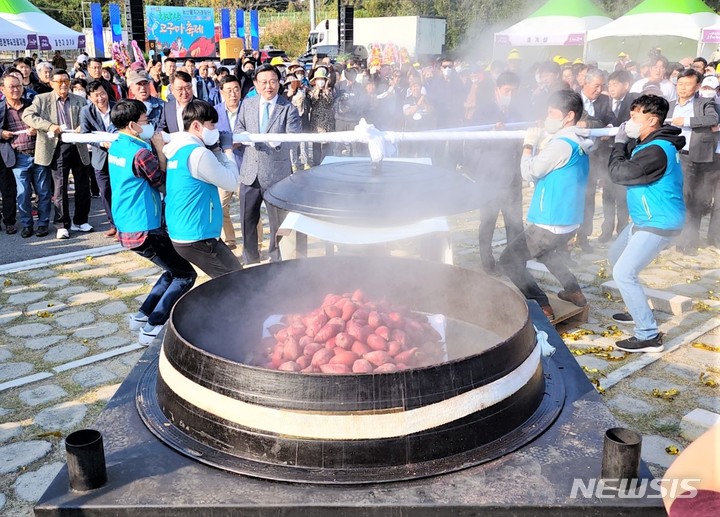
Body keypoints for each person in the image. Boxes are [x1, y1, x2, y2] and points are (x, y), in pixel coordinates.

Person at [108, 99, 197, 345]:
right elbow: (161, 181)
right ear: (133, 125)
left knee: (172, 269)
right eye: (146, 121)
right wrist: (159, 148)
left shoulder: (117, 146)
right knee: (185, 275)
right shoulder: (141, 153)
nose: (151, 125)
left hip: (126, 223)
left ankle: (142, 315)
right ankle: (153, 327)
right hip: (145, 227)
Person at [498, 90, 591, 321]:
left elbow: (529, 172)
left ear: (569, 116)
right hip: (569, 219)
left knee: (509, 260)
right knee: (548, 254)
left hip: (550, 220)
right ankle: (574, 291)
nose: (547, 117)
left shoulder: (561, 145)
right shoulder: (579, 140)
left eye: (552, 113)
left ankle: (541, 305)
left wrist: (528, 145)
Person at [607, 94, 686, 352]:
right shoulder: (648, 142)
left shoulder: (656, 149)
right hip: (644, 219)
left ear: (652, 120)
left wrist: (618, 145)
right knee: (616, 256)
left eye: (634, 116)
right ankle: (637, 307)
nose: (629, 121)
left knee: (623, 273)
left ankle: (648, 334)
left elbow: (620, 173)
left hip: (659, 221)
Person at [163, 99, 242, 277]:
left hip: (188, 231)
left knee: (236, 278)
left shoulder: (177, 149)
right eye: (212, 125)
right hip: (197, 236)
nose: (215, 129)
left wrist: (214, 151)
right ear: (197, 126)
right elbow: (231, 182)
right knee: (235, 284)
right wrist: (226, 150)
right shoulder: (198, 154)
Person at [236, 63, 302, 264]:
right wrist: (244, 137)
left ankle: (276, 260)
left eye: (273, 81)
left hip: (277, 175)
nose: (268, 86)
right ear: (255, 83)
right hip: (250, 172)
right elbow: (239, 126)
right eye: (263, 82)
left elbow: (296, 138)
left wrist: (280, 141)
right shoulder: (247, 104)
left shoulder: (287, 108)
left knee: (277, 222)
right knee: (247, 220)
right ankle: (250, 258)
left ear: (279, 82)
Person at [23, 68, 93, 240]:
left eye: (66, 81)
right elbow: (27, 115)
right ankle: (62, 224)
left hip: (78, 145)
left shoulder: (79, 99)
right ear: (51, 83)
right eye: (59, 81)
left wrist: (82, 127)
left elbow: (89, 118)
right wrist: (48, 126)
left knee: (83, 184)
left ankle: (81, 220)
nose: (63, 84)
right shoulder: (42, 99)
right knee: (59, 186)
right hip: (57, 145)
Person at [469, 71, 524, 276]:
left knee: (515, 224)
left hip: (512, 177)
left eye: (514, 91)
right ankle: (487, 262)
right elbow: (474, 140)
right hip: (490, 177)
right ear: (497, 90)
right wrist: (492, 134)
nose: (510, 94)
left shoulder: (518, 113)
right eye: (507, 91)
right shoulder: (484, 111)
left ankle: (514, 263)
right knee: (488, 222)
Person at [669, 69, 719, 255]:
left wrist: (687, 121)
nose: (683, 88)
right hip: (672, 156)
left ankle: (689, 240)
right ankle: (672, 235)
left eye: (688, 84)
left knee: (693, 198)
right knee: (677, 197)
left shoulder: (704, 103)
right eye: (680, 84)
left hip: (694, 156)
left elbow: (712, 119)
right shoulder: (670, 104)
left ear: (697, 86)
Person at [598, 70, 636, 243]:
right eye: (610, 85)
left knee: (622, 196)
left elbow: (631, 124)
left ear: (626, 85)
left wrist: (612, 131)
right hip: (606, 154)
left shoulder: (633, 102)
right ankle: (606, 230)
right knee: (607, 194)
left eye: (615, 85)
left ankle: (622, 230)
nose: (611, 88)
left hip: (625, 154)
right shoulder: (605, 101)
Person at [80, 80, 117, 237]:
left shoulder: (117, 107)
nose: (100, 98)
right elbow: (84, 134)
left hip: (118, 156)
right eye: (95, 95)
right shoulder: (86, 111)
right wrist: (101, 142)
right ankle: (113, 224)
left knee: (120, 191)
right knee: (105, 192)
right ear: (89, 96)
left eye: (102, 93)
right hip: (99, 158)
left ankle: (124, 226)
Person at [214, 75, 244, 250]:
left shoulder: (248, 109)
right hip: (223, 166)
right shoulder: (215, 112)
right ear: (221, 92)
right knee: (220, 206)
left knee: (248, 208)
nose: (233, 94)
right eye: (229, 90)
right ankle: (229, 240)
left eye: (236, 89)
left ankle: (255, 242)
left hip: (245, 165)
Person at [307, 67, 335, 165]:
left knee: (327, 145)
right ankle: (316, 164)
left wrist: (326, 91)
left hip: (327, 122)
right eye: (318, 79)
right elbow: (312, 102)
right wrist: (318, 91)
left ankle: (326, 163)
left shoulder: (330, 91)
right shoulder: (311, 91)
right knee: (316, 145)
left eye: (322, 79)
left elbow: (330, 102)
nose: (320, 81)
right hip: (316, 122)